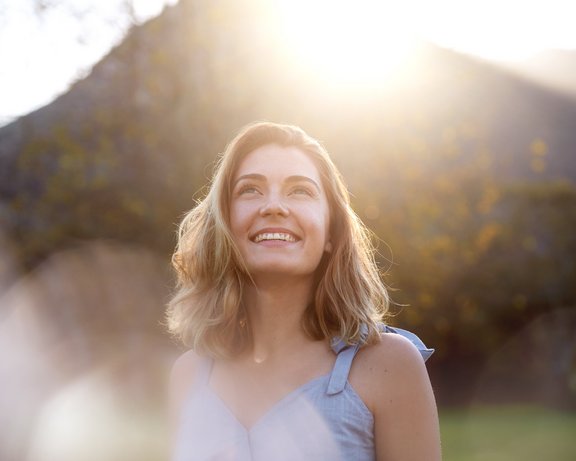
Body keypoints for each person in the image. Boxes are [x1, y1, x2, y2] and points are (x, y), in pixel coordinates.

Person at [167, 122, 441, 460]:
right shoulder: (189, 375)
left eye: (300, 191)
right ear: (224, 223)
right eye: (250, 190)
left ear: (330, 232)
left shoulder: (388, 365)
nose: (274, 207)